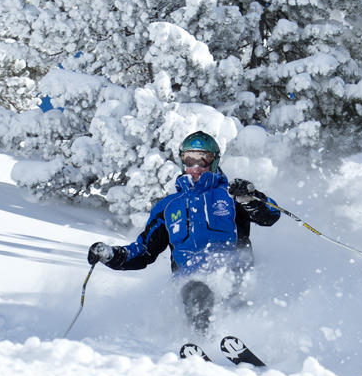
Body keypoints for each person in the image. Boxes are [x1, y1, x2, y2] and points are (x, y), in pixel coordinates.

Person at [88, 130, 280, 335]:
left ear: (214, 162)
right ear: (182, 162)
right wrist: (112, 255)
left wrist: (251, 198)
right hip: (190, 283)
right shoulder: (168, 207)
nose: (195, 167)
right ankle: (205, 343)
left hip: (233, 276)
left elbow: (270, 215)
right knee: (197, 291)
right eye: (189, 160)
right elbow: (144, 251)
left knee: (235, 303)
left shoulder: (231, 196)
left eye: (203, 160)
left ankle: (243, 342)